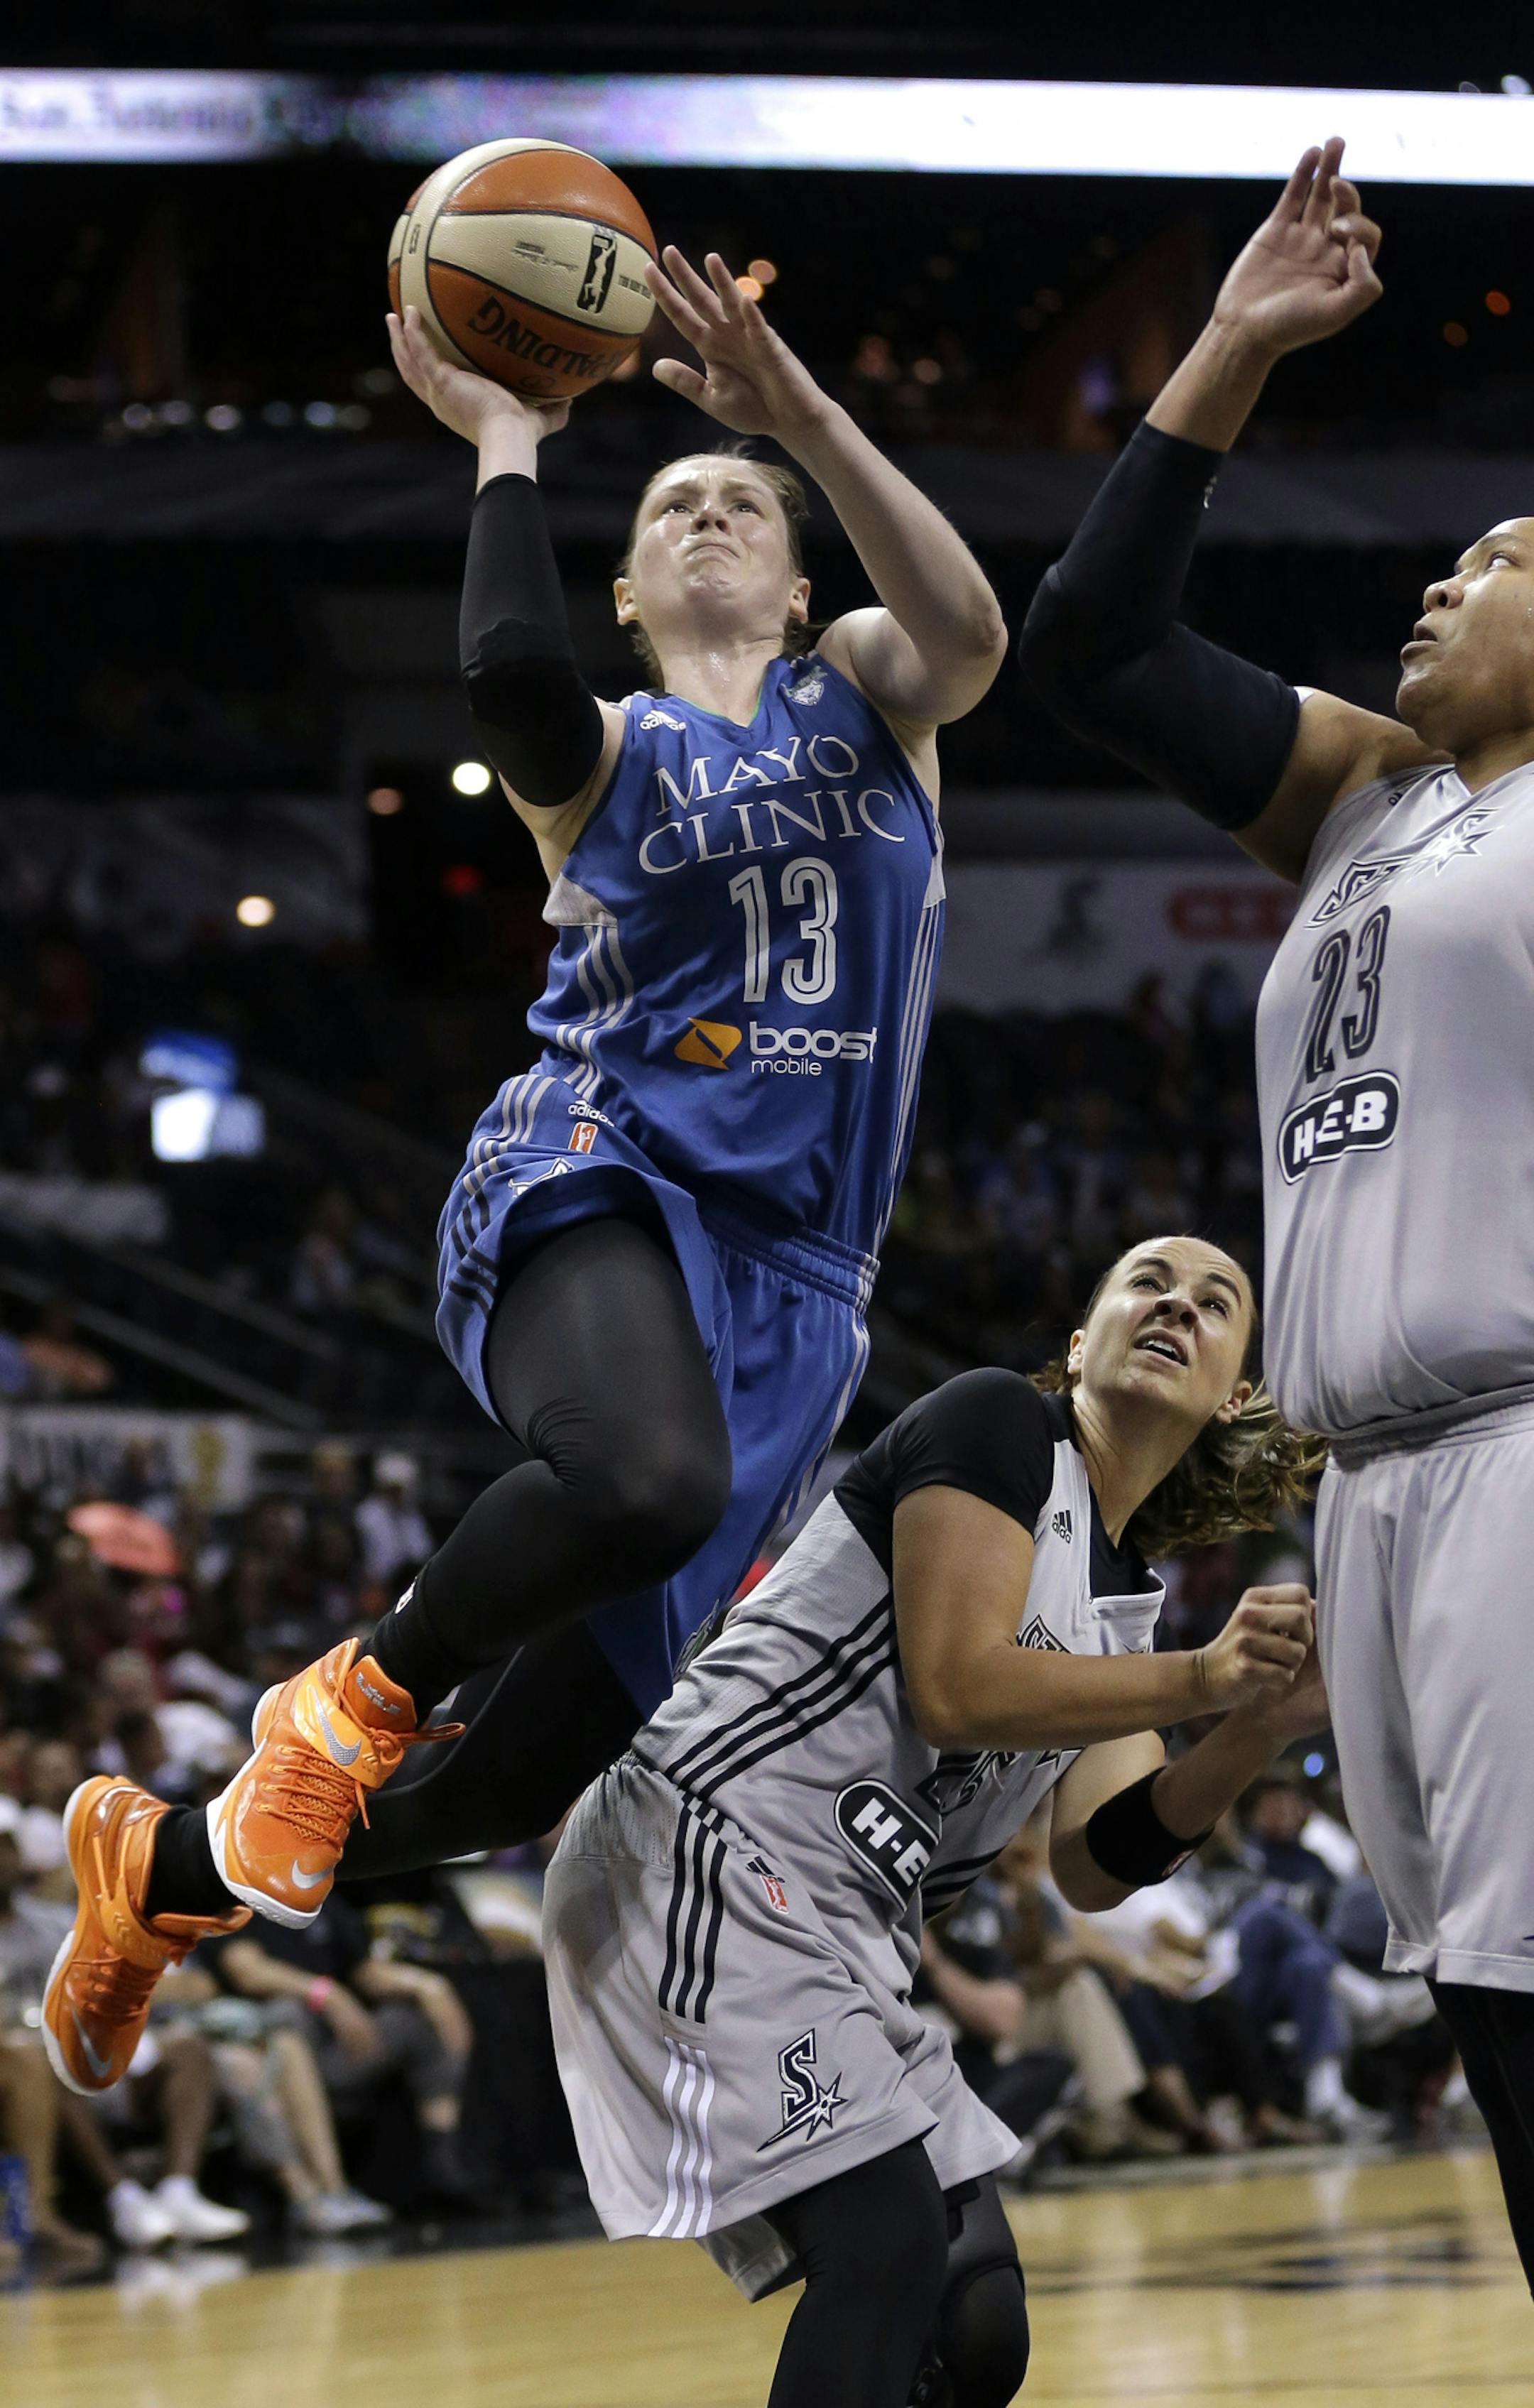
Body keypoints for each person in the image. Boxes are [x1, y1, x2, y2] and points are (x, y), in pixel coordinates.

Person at [45, 237, 1006, 2093]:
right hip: (604, 1170)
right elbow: (503, 683)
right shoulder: (616, 746)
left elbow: (973, 628)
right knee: (642, 1478)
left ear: (806, 586)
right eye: (677, 509)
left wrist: (788, 403)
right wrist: (502, 432)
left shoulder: (877, 697)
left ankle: (154, 1872)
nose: (714, 513)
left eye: (745, 505)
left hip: (802, 1294)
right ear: (634, 595)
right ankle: (341, 1701)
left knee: (510, 1784)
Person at [1018, 132, 1534, 2287]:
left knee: (1525, 1991)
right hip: (1371, 1482)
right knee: (1481, 2009)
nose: (1442, 583)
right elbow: (1095, 642)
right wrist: (1228, 346)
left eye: (1500, 559)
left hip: (1519, 1445)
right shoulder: (1370, 796)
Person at [542, 1236, 1327, 2408]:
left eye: (1218, 1304)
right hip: (703, 1841)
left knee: (975, 2322)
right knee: (888, 2242)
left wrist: (1259, 1725)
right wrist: (1208, 1681)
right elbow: (961, 1685)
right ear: (1080, 1343)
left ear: (1233, 1394)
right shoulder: (1000, 1428)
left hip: (835, 1931)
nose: (1179, 1304)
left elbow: (1100, 1864)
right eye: (1147, 1282)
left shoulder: (1123, 1613)